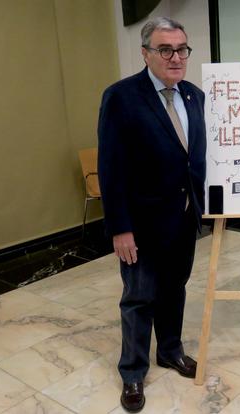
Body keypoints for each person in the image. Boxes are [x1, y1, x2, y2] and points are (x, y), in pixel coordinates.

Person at [97, 16, 206, 412]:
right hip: (141, 225)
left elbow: (193, 159)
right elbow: (111, 168)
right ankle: (132, 371)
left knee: (175, 289)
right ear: (145, 53)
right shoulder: (121, 97)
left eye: (181, 49)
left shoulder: (194, 96)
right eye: (165, 49)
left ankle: (170, 350)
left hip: (184, 217)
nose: (176, 57)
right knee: (139, 298)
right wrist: (120, 228)